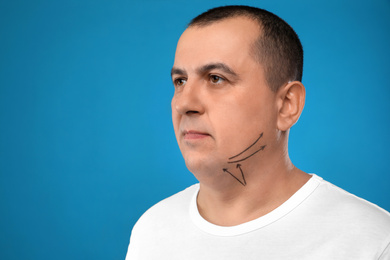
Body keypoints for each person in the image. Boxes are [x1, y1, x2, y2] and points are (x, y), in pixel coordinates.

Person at [125, 5, 390, 259]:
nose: (184, 104)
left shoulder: (372, 241)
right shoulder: (152, 229)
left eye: (216, 78)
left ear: (287, 105)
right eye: (180, 81)